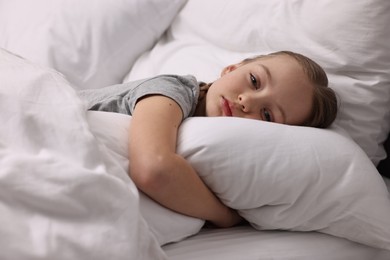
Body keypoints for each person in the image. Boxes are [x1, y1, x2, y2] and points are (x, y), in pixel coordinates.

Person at [78, 50, 338, 228]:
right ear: (232, 68)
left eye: (268, 114)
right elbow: (153, 169)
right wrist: (226, 217)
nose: (246, 101)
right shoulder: (172, 90)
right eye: (254, 80)